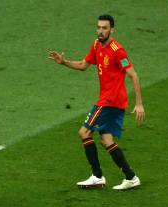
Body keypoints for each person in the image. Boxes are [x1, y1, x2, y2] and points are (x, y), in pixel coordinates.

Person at [48, 14, 145, 190]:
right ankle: (131, 177)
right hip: (111, 101)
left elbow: (134, 75)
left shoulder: (117, 50)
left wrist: (139, 104)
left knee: (84, 132)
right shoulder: (96, 45)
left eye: (104, 28)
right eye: (98, 27)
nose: (100, 31)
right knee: (106, 139)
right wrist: (64, 62)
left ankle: (97, 176)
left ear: (112, 30)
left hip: (111, 101)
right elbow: (83, 65)